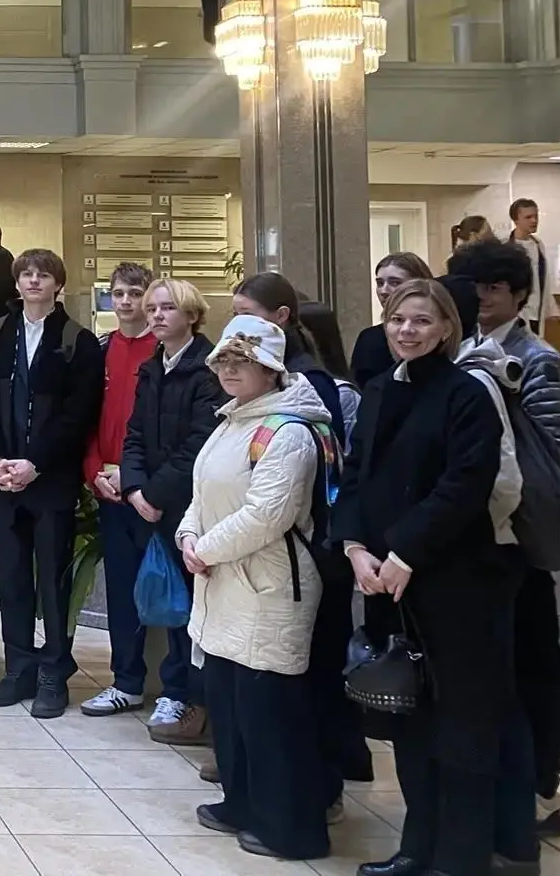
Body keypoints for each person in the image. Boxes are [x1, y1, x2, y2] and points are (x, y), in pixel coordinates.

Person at [334, 279, 518, 876]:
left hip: (453, 581)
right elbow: (356, 475)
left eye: (420, 320)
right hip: (385, 582)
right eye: (397, 319)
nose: (407, 330)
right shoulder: (381, 389)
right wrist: (356, 547)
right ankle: (417, 847)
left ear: (445, 329)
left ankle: (461, 857)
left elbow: (465, 483)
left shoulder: (467, 393)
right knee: (409, 720)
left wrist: (405, 552)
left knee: (460, 724)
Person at [177, 313, 333, 862]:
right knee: (233, 708)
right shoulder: (231, 422)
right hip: (223, 583)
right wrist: (188, 534)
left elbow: (268, 514)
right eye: (224, 360)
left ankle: (290, 827)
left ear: (271, 369)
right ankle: (241, 802)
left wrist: (204, 549)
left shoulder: (289, 430)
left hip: (268, 586)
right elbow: (203, 493)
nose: (230, 371)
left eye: (243, 362)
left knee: (272, 716)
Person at [445, 238, 560, 837]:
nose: (483, 297)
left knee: (535, 660)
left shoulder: (536, 357)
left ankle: (544, 787)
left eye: (495, 288)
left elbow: (552, 452)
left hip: (520, 532)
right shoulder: (464, 347)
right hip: (478, 534)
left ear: (520, 293)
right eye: (475, 287)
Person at [232, 272, 368, 792]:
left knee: (312, 671)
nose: (238, 328)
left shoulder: (308, 386)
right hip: (273, 549)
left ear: (280, 318)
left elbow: (315, 478)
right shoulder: (262, 382)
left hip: (303, 547)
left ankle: (320, 783)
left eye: (248, 315)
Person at [0, 248, 104, 719]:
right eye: (26, 274)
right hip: (3, 479)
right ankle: (19, 669)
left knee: (52, 580)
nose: (33, 281)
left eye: (42, 275)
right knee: (11, 578)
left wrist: (35, 463)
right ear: (17, 283)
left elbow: (78, 414)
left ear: (57, 284)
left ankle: (54, 672)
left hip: (51, 480)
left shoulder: (77, 340)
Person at [97, 278, 221, 740]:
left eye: (167, 308)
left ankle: (181, 693)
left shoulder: (208, 369)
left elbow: (198, 445)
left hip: (185, 508)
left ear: (191, 314)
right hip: (142, 501)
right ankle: (129, 683)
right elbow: (133, 435)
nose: (156, 315)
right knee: (142, 593)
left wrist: (152, 495)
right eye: (153, 309)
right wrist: (134, 488)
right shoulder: (153, 368)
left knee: (183, 606)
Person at [80, 263, 159, 715]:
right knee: (122, 590)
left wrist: (135, 479)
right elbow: (88, 419)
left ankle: (177, 691)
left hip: (150, 493)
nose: (126, 301)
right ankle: (126, 681)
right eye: (119, 293)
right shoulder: (102, 349)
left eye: (135, 293)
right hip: (109, 489)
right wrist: (93, 471)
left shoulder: (162, 350)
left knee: (167, 588)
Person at [351, 253, 432, 391]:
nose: (384, 291)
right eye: (380, 283)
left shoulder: (435, 332)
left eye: (395, 283)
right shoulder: (369, 338)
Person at [509, 198, 558, 336]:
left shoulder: (537, 244)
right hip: (516, 312)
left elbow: (544, 279)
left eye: (536, 216)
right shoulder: (506, 246)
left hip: (536, 310)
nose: (534, 221)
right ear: (516, 220)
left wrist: (552, 309)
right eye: (528, 217)